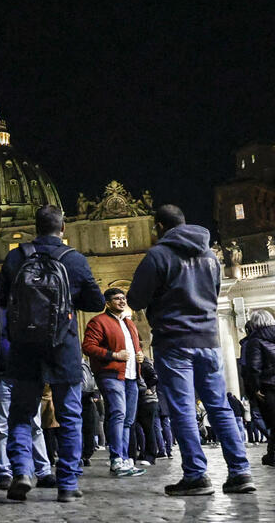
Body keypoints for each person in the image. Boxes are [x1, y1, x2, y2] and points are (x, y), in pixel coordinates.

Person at [127, 204, 254, 495]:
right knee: (219, 406)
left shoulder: (158, 255)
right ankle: (240, 472)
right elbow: (216, 290)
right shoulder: (209, 255)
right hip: (208, 340)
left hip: (174, 341)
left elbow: (135, 299)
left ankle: (196, 475)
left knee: (183, 410)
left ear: (159, 226)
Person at [0, 205, 105, 502]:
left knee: (20, 415)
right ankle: (68, 484)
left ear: (36, 226)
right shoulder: (74, 260)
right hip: (63, 347)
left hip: (24, 349)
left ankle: (21, 471)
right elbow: (96, 302)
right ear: (63, 228)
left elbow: (0, 301)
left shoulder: (16, 257)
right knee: (70, 417)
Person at [0, 300, 55, 490]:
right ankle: (5, 473)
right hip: (1, 376)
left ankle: (43, 471)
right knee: (2, 428)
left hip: (28, 376)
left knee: (35, 425)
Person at [81, 288, 147, 477]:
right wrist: (113, 355)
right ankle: (116, 459)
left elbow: (136, 346)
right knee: (118, 414)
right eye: (117, 299)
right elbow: (88, 346)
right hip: (111, 375)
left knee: (128, 420)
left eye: (123, 298)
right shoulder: (98, 322)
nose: (122, 301)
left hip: (132, 376)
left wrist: (139, 355)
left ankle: (125, 459)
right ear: (107, 303)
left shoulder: (129, 323)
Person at [244, 309, 275, 466]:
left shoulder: (255, 340)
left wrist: (255, 388)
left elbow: (254, 367)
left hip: (269, 385)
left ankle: (272, 455)